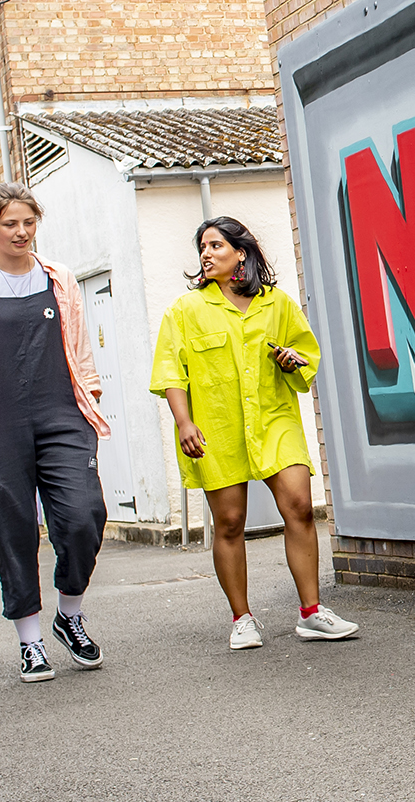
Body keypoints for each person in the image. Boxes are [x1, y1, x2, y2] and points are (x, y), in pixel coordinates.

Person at [150, 216, 359, 650]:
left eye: (215, 246)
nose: (206, 254)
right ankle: (242, 618)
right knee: (229, 522)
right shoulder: (185, 311)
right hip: (217, 427)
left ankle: (311, 612)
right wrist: (184, 422)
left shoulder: (276, 304)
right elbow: (171, 373)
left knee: (300, 506)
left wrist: (292, 360)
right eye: (202, 248)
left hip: (274, 419)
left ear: (240, 253)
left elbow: (306, 356)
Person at [0, 183, 111, 682]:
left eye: (29, 222)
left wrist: (90, 398)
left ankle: (69, 614)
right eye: (10, 223)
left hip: (62, 415)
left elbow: (79, 348)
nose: (21, 232)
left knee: (83, 516)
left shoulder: (59, 279)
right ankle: (30, 642)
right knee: (12, 532)